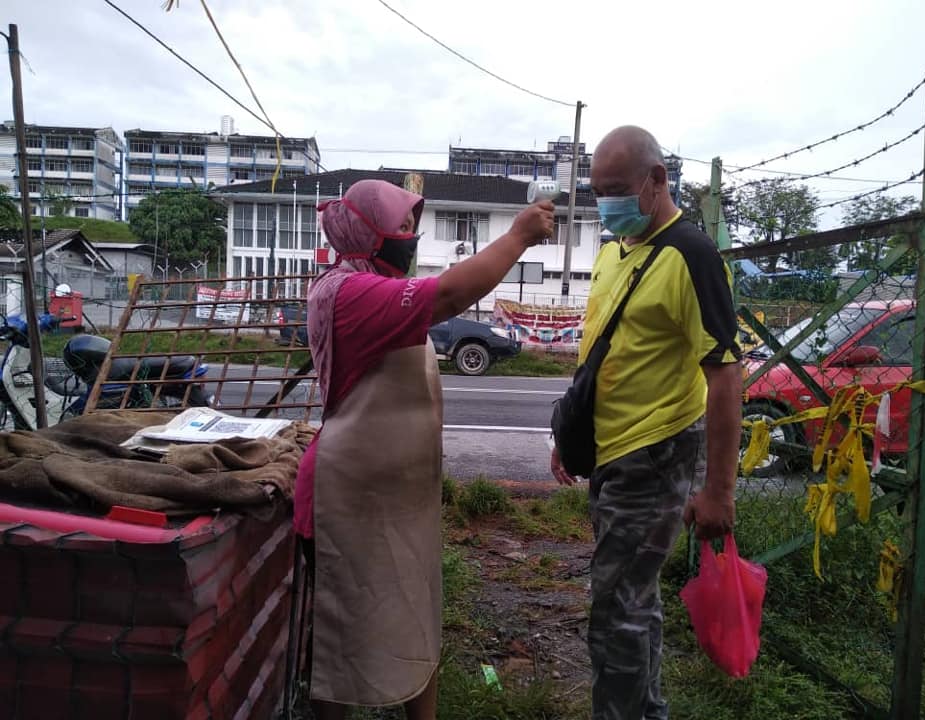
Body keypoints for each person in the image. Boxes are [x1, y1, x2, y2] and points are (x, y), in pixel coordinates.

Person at [293, 178, 554, 720]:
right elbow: (452, 293)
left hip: (402, 497)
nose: (410, 237)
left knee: (419, 615)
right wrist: (518, 237)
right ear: (367, 232)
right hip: (351, 499)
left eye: (413, 226)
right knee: (343, 633)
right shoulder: (348, 291)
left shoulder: (376, 287)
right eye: (402, 226)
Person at [550, 126, 742, 720]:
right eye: (597, 190)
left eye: (616, 189)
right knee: (632, 603)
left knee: (615, 616)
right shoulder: (616, 251)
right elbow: (601, 354)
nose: (606, 203)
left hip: (654, 458)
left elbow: (726, 376)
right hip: (612, 452)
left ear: (657, 181)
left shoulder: (692, 257)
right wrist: (571, 435)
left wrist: (718, 490)